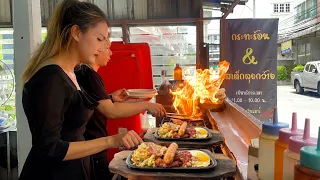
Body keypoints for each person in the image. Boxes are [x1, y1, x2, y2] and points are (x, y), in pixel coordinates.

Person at [19, 1, 143, 180]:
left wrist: (110, 98)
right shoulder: (50, 78)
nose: (103, 48)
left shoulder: (71, 73)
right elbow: (49, 148)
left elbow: (70, 108)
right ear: (76, 33)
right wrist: (111, 140)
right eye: (100, 39)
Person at [75, 38, 167, 180]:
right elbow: (111, 111)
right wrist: (147, 105)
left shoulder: (84, 74)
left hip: (90, 145)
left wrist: (110, 97)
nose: (110, 53)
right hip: (91, 147)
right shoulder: (89, 74)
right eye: (107, 48)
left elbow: (94, 104)